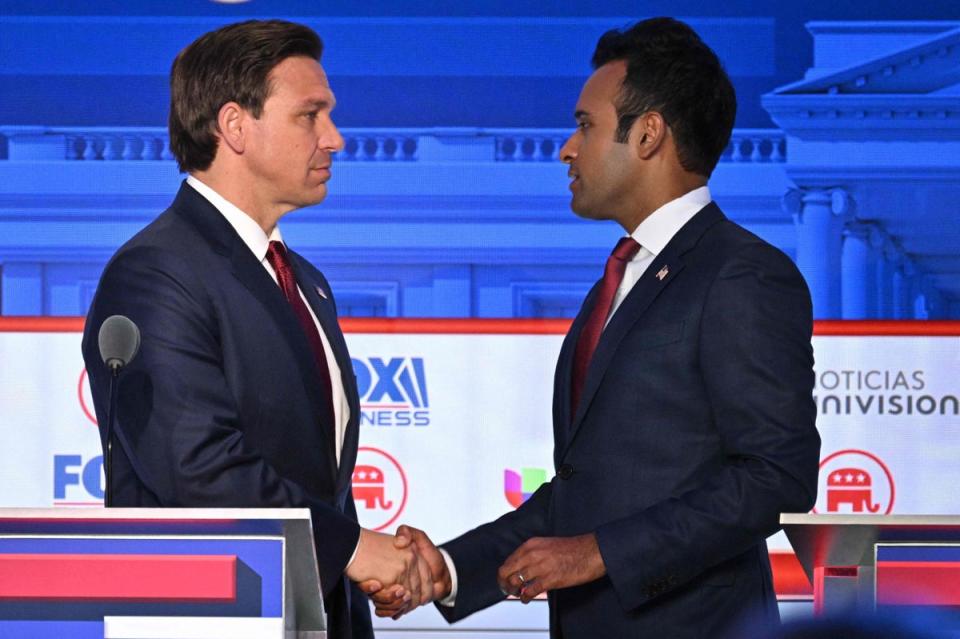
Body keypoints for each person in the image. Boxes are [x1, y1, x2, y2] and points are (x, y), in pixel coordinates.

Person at [364, 16, 821, 638]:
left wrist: (598, 553)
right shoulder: (622, 279)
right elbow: (585, 497)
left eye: (585, 126)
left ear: (649, 134)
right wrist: (448, 569)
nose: (566, 149)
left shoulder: (742, 274)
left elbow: (774, 476)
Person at [81, 20, 431, 639]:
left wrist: (363, 566)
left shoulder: (303, 280)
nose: (336, 138)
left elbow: (318, 474)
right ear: (235, 125)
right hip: (214, 617)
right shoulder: (155, 272)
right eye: (310, 115)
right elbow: (197, 471)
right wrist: (353, 550)